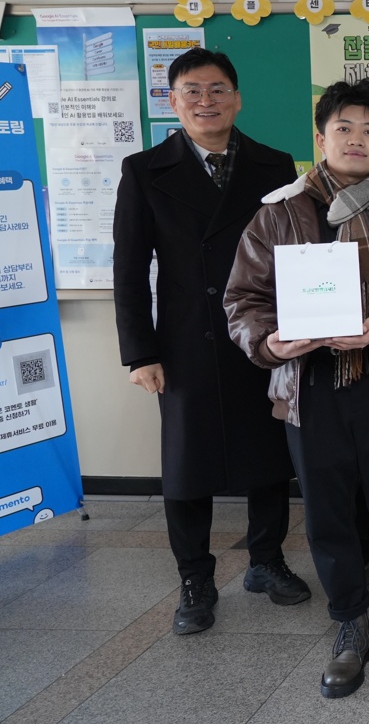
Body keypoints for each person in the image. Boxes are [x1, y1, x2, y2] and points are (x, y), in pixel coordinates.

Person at [225, 80, 369, 698]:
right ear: (320, 138)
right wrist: (271, 344)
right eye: (344, 128)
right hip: (311, 391)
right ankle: (350, 624)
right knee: (327, 517)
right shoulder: (279, 212)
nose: (356, 139)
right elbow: (242, 300)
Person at [112, 47, 309, 637]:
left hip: (263, 333)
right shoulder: (144, 169)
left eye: (219, 89)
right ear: (173, 101)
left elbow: (294, 256)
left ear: (238, 98)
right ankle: (194, 576)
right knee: (186, 463)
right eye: (193, 91)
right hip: (183, 340)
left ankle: (266, 560)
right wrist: (139, 353)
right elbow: (128, 268)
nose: (206, 101)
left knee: (268, 455)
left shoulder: (275, 165)